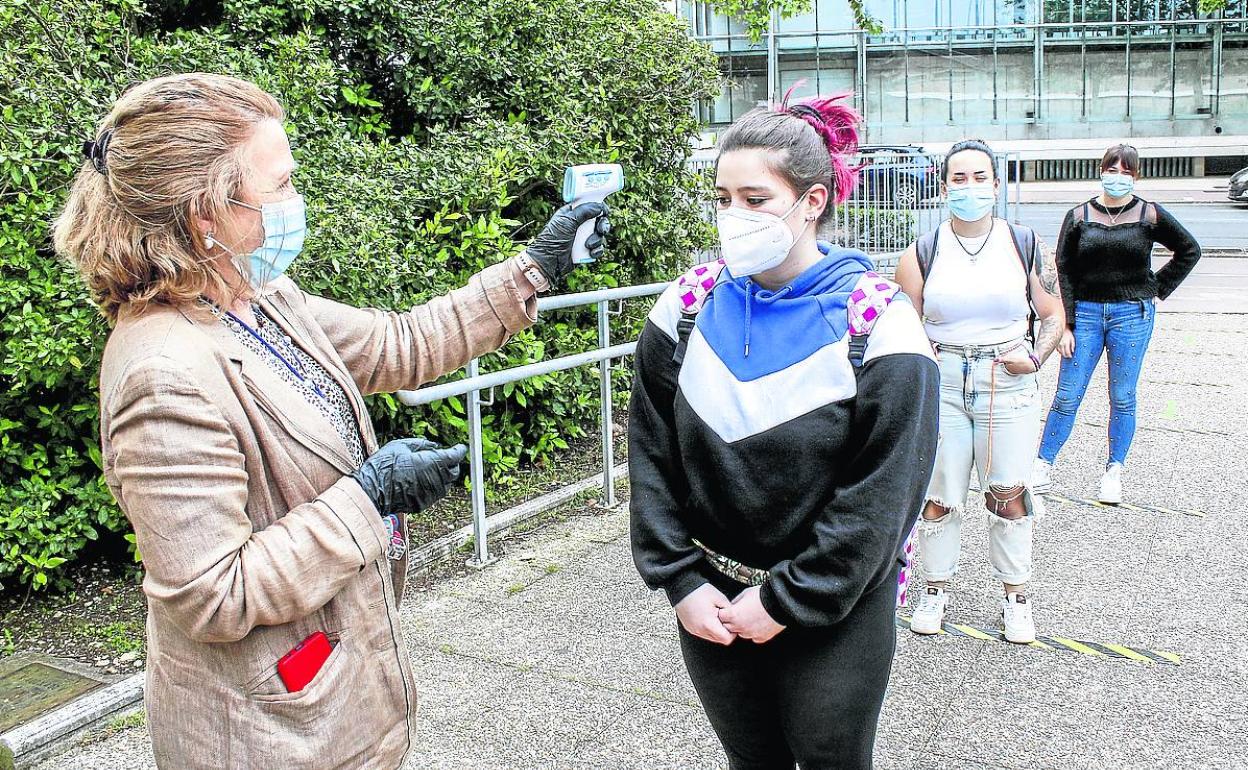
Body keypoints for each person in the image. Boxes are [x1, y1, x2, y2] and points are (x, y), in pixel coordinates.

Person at [52, 73, 609, 770]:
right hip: (269, 737)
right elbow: (211, 595)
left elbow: (397, 344)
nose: (296, 202)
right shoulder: (161, 371)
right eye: (279, 185)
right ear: (206, 213)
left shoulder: (257, 297)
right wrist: (368, 498)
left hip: (332, 701)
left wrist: (537, 268)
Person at [629, 94, 939, 770]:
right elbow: (651, 456)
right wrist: (679, 581)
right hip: (711, 604)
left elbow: (883, 498)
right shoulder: (684, 309)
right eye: (722, 196)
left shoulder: (880, 324)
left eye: (755, 197)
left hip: (838, 612)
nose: (733, 216)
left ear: (813, 201)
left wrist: (787, 599)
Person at [894, 139, 1065, 644]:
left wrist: (1035, 358)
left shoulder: (1024, 243)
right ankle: (934, 590)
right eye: (959, 178)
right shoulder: (922, 252)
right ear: (945, 186)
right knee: (938, 497)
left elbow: (1053, 315)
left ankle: (1016, 597)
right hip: (944, 380)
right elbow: (906, 325)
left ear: (996, 183)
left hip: (1006, 380)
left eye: (980, 177)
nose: (970, 187)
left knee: (1008, 492)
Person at [1032, 144, 1201, 503]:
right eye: (1113, 169)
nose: (1119, 177)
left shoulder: (1149, 214)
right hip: (1088, 315)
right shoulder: (1079, 216)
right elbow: (1063, 269)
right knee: (1067, 393)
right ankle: (1043, 464)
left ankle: (1114, 470)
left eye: (1127, 172)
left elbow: (1189, 249)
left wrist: (1159, 287)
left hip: (1131, 315)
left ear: (1136, 176)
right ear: (1101, 170)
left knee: (1122, 396)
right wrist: (1066, 325)